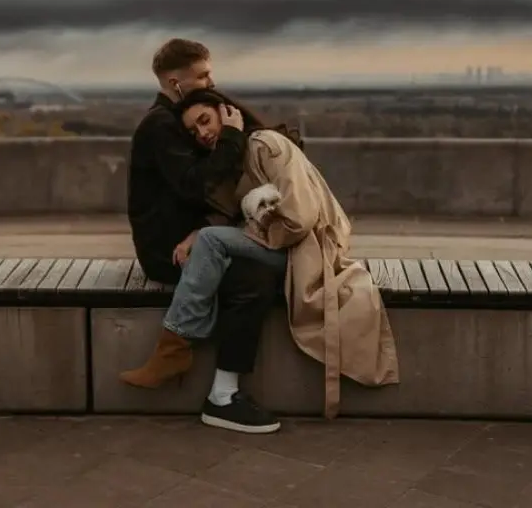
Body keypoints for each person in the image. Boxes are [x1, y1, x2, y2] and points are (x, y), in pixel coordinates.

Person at [138, 87, 401, 420]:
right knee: (235, 270)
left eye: (205, 120)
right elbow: (234, 214)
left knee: (212, 242)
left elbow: (299, 218)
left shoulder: (263, 144)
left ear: (227, 112)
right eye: (193, 132)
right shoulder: (236, 156)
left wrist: (235, 230)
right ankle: (218, 391)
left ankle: (175, 346)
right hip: (281, 250)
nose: (202, 133)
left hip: (304, 252)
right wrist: (197, 234)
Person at [123, 38, 283, 434]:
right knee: (253, 282)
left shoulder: (178, 119)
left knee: (260, 275)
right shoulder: (160, 126)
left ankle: (219, 391)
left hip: (197, 240)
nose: (211, 81)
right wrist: (231, 136)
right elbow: (197, 186)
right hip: (169, 252)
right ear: (175, 83)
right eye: (203, 75)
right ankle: (222, 397)